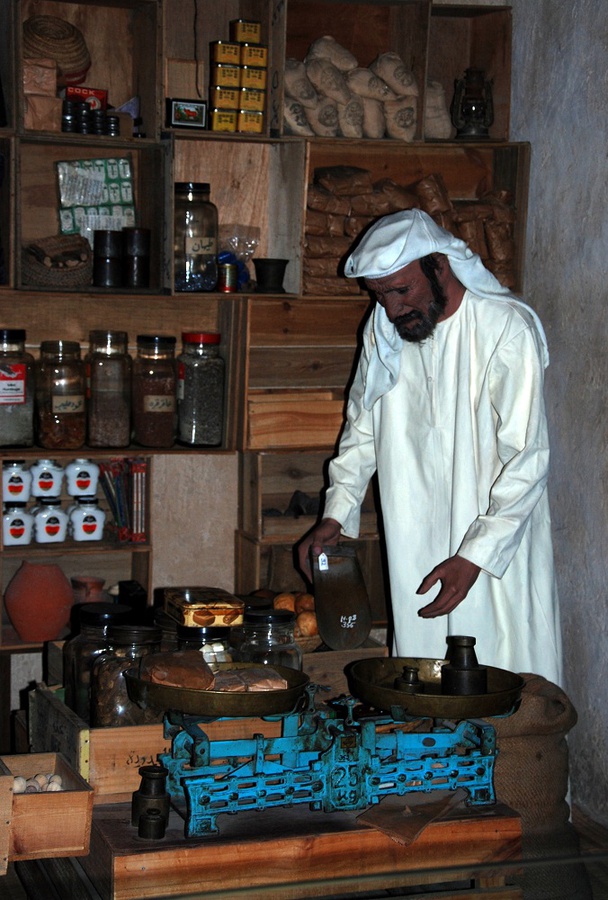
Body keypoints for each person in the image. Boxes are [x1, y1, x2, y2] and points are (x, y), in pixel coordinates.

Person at [298, 208, 562, 685]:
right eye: (380, 294)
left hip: (495, 549)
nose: (393, 308)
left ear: (439, 267)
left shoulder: (505, 329)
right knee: (421, 687)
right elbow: (363, 429)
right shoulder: (384, 329)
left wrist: (475, 556)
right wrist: (336, 514)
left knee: (502, 680)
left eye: (402, 290)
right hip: (415, 539)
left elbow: (528, 459)